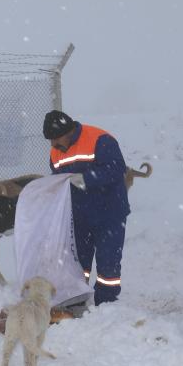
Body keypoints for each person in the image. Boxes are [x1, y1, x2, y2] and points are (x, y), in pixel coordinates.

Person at [43, 110, 130, 305]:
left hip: (110, 212)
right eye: (50, 141)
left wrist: (85, 179)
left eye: (55, 139)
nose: (53, 145)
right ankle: (76, 299)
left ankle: (105, 303)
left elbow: (116, 169)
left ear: (68, 132)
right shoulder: (55, 151)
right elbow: (58, 178)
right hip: (79, 215)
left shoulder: (99, 139)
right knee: (77, 263)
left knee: (108, 262)